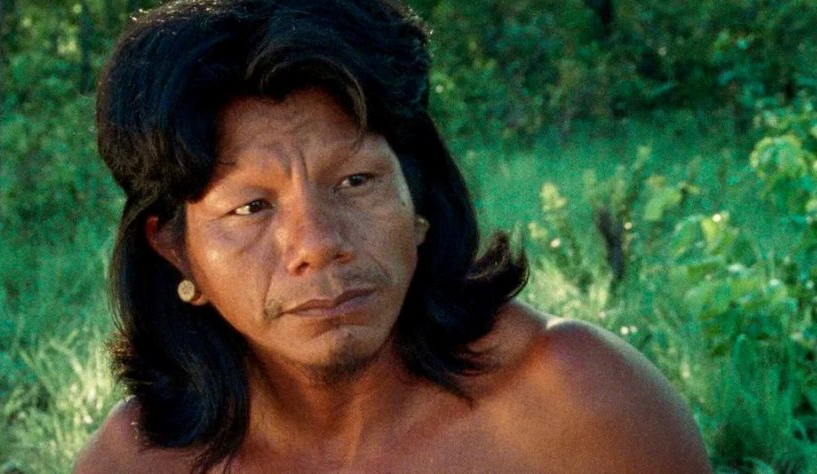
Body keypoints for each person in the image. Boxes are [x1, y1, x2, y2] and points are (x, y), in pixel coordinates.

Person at [76, 0, 710, 472]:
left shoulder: (577, 406)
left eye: (356, 181)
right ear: (177, 251)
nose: (318, 243)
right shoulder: (135, 464)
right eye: (251, 207)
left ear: (419, 199)